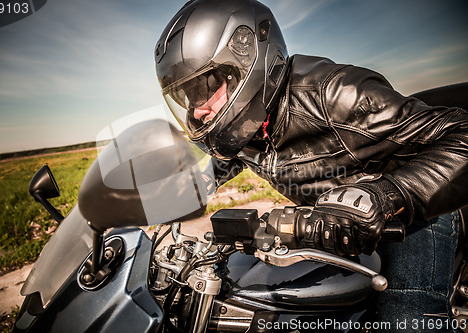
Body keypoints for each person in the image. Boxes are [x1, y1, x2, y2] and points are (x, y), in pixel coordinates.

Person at [154, 0, 468, 331]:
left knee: (404, 320)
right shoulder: (247, 126)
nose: (197, 110)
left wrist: (385, 195)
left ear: (244, 58)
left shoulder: (334, 94)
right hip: (334, 228)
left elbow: (461, 134)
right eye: (187, 96)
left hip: (413, 215)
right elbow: (223, 163)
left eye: (202, 88)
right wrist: (179, 191)